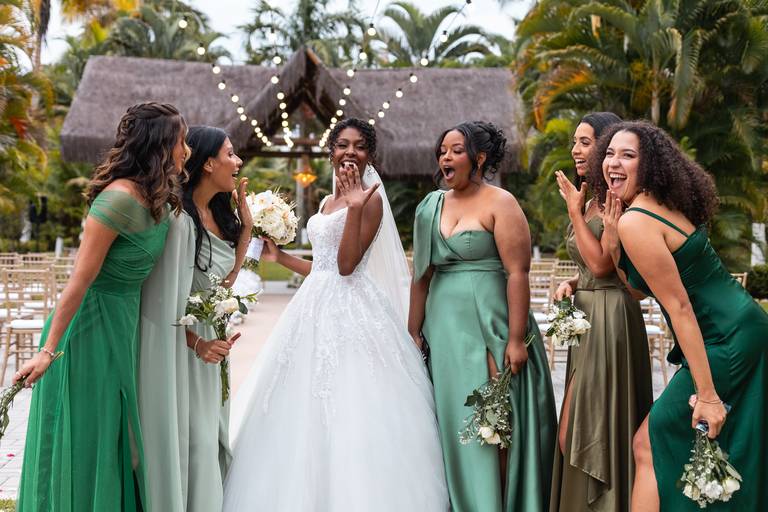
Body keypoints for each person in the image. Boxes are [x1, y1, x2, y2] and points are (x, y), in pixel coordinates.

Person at [222, 118, 449, 511]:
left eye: (359, 146)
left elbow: (346, 267)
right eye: (342, 144)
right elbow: (323, 269)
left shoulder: (371, 199)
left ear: (369, 155)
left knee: (353, 401)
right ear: (331, 152)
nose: (350, 152)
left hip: (354, 312)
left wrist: (357, 207)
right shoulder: (327, 202)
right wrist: (280, 257)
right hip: (312, 307)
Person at [15, 102, 188, 511]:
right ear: (161, 145)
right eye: (181, 141)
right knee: (89, 435)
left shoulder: (158, 201)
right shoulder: (117, 200)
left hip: (123, 324)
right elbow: (79, 281)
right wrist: (48, 351)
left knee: (115, 433)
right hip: (86, 331)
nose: (187, 150)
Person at [588, 120, 768, 511]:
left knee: (648, 443)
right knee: (713, 444)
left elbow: (680, 307)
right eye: (610, 153)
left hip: (724, 337)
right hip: (739, 326)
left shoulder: (637, 220)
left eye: (628, 155)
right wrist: (613, 245)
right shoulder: (652, 207)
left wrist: (708, 395)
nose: (613, 162)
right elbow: (639, 290)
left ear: (649, 164)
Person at [409, 121, 557, 511]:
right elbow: (420, 277)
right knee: (454, 420)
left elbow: (517, 273)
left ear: (479, 157)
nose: (446, 157)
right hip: (444, 332)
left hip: (493, 325)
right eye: (442, 151)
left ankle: (500, 503)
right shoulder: (430, 207)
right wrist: (412, 333)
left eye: (456, 150)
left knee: (496, 423)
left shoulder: (501, 202)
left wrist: (515, 338)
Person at [139, 126, 252, 511]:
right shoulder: (179, 220)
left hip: (212, 347)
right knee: (195, 443)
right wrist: (198, 343)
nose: (237, 161)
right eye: (230, 154)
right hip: (184, 348)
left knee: (212, 437)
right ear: (207, 164)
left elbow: (225, 283)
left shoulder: (218, 215)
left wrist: (247, 229)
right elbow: (162, 301)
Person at [549, 113, 653, 511]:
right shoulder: (591, 200)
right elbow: (589, 268)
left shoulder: (616, 201)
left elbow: (603, 264)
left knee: (583, 432)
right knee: (575, 432)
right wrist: (573, 283)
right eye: (575, 142)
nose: (576, 150)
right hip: (587, 317)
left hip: (611, 319)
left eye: (586, 142)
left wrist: (574, 213)